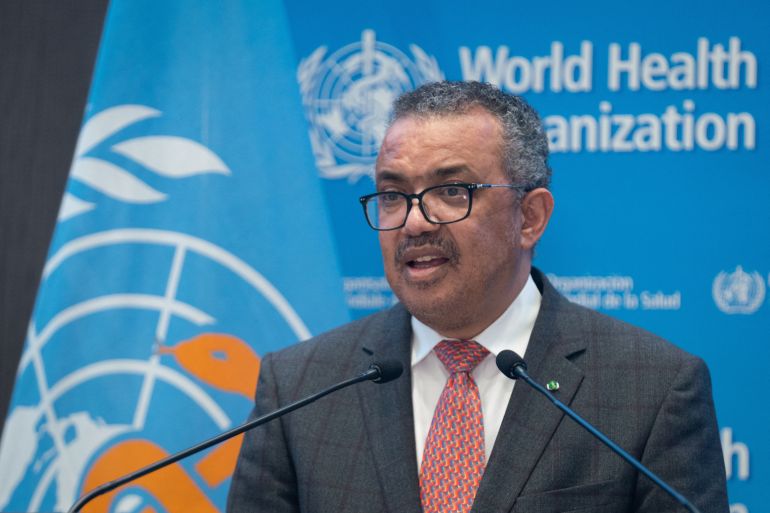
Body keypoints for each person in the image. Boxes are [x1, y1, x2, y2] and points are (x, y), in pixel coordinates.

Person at [227, 81, 728, 513]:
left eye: (452, 191)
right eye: (393, 195)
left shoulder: (653, 389)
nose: (414, 222)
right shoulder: (299, 388)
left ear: (529, 217)